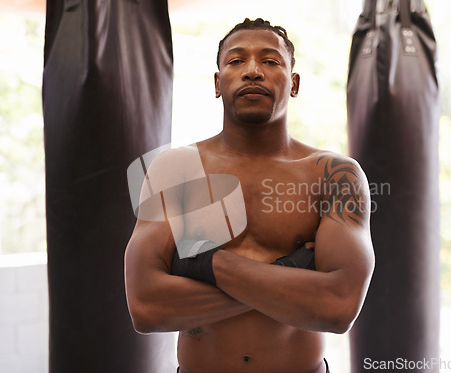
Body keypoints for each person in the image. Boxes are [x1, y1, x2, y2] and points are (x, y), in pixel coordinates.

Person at [124, 18, 375, 373]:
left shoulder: (333, 175)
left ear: (294, 84)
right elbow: (147, 308)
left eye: (271, 61)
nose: (253, 71)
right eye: (236, 61)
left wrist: (201, 265)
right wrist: (290, 275)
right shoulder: (177, 169)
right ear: (217, 83)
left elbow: (337, 307)